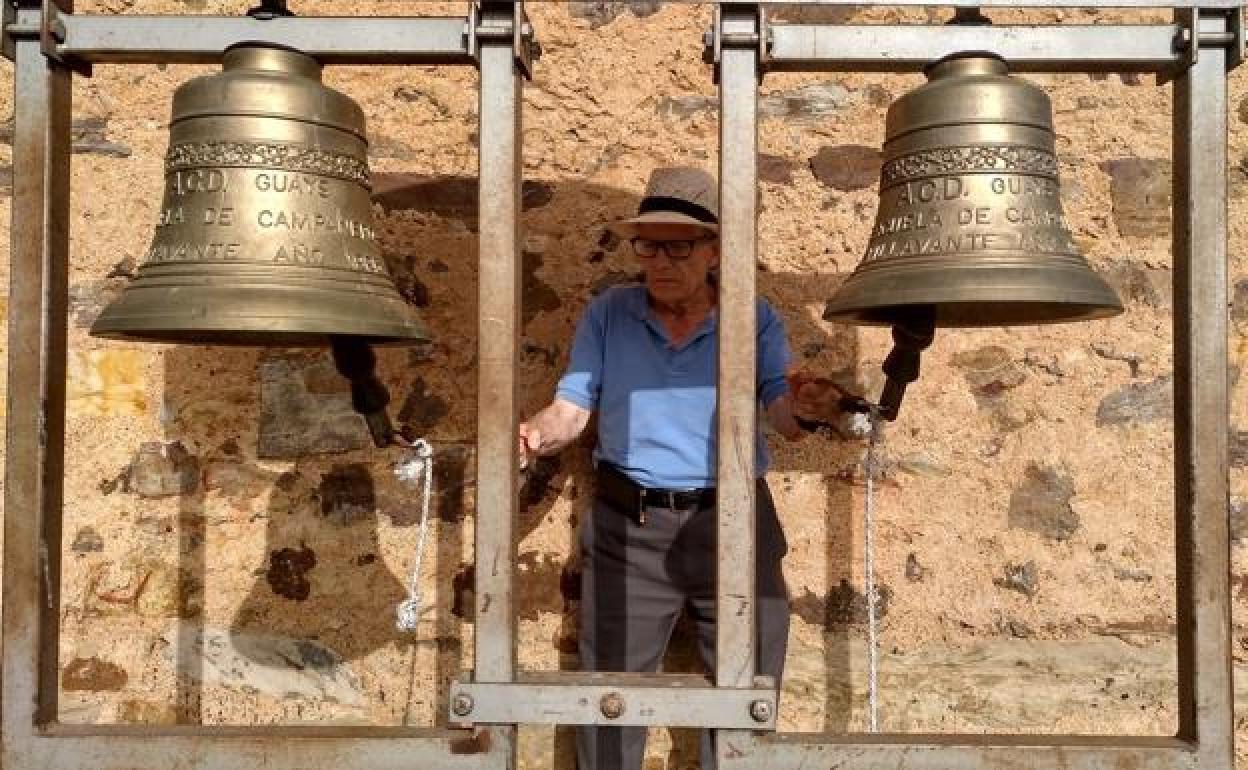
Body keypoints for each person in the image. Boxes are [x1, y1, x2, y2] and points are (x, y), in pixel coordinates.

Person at [518, 167, 852, 770]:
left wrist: (805, 405)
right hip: (630, 529)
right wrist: (534, 433)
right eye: (650, 245)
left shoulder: (754, 316)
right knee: (609, 704)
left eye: (680, 246)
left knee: (748, 698)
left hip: (734, 524)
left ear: (715, 249)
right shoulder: (610, 313)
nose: (661, 261)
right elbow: (571, 410)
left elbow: (782, 408)